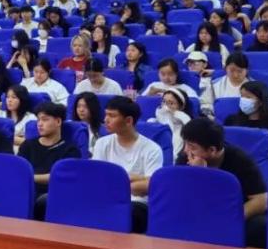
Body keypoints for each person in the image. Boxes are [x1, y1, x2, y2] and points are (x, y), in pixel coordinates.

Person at [178, 118, 268, 246]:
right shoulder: (185, 158)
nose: (185, 150)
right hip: (198, 211)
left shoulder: (241, 161)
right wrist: (199, 174)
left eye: (192, 147)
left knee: (261, 227)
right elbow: (180, 193)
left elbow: (261, 200)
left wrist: (231, 218)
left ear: (212, 150)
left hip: (231, 212)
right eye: (185, 144)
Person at [91, 97, 163, 233]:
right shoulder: (102, 143)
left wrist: (115, 183)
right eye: (106, 115)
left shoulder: (152, 149)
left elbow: (151, 185)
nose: (106, 120)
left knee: (127, 212)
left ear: (129, 121)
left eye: (112, 116)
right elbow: (97, 178)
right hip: (105, 198)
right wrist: (135, 178)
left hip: (136, 203)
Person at [18, 101, 80, 218]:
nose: (40, 124)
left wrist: (30, 177)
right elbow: (18, 171)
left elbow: (58, 177)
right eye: (38, 120)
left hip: (53, 194)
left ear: (58, 121)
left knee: (44, 201)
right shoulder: (28, 145)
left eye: (45, 120)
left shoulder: (70, 149)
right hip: (25, 190)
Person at [224, 80, 268, 174]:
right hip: (237, 166)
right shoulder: (231, 120)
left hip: (267, 166)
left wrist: (265, 156)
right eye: (242, 96)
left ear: (261, 101)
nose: (243, 100)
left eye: (248, 97)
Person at [149, 87, 190, 158]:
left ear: (181, 107)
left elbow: (173, 157)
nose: (166, 106)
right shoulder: (154, 121)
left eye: (171, 103)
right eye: (164, 102)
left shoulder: (179, 130)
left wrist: (175, 113)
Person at [5, 85, 36, 150]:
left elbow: (30, 143)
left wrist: (5, 137)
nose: (9, 100)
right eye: (7, 97)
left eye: (14, 97)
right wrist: (17, 138)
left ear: (22, 100)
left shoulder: (31, 118)